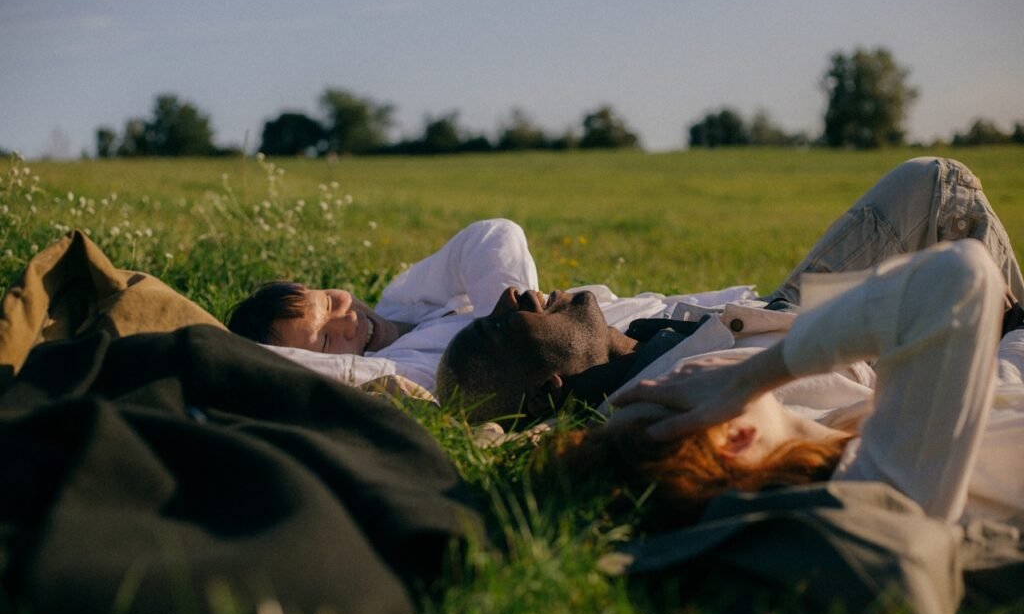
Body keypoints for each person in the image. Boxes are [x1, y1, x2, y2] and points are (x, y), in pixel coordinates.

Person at [436, 157, 1024, 430]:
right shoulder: (677, 400)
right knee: (952, 216)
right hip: (828, 338)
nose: (514, 295)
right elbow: (857, 396)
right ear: (547, 390)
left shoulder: (630, 333)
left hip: (784, 308)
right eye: (497, 324)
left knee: (933, 183)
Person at [598, 238, 1024, 527]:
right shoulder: (879, 487)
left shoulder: (847, 437)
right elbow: (960, 271)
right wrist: (747, 376)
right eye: (677, 389)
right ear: (737, 438)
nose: (685, 372)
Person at [228, 218, 753, 392]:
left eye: (331, 302)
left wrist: (515, 318)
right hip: (681, 345)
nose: (346, 323)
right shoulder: (404, 369)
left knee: (806, 291)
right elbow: (283, 364)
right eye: (324, 339)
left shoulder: (404, 301)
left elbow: (491, 236)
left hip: (683, 308)